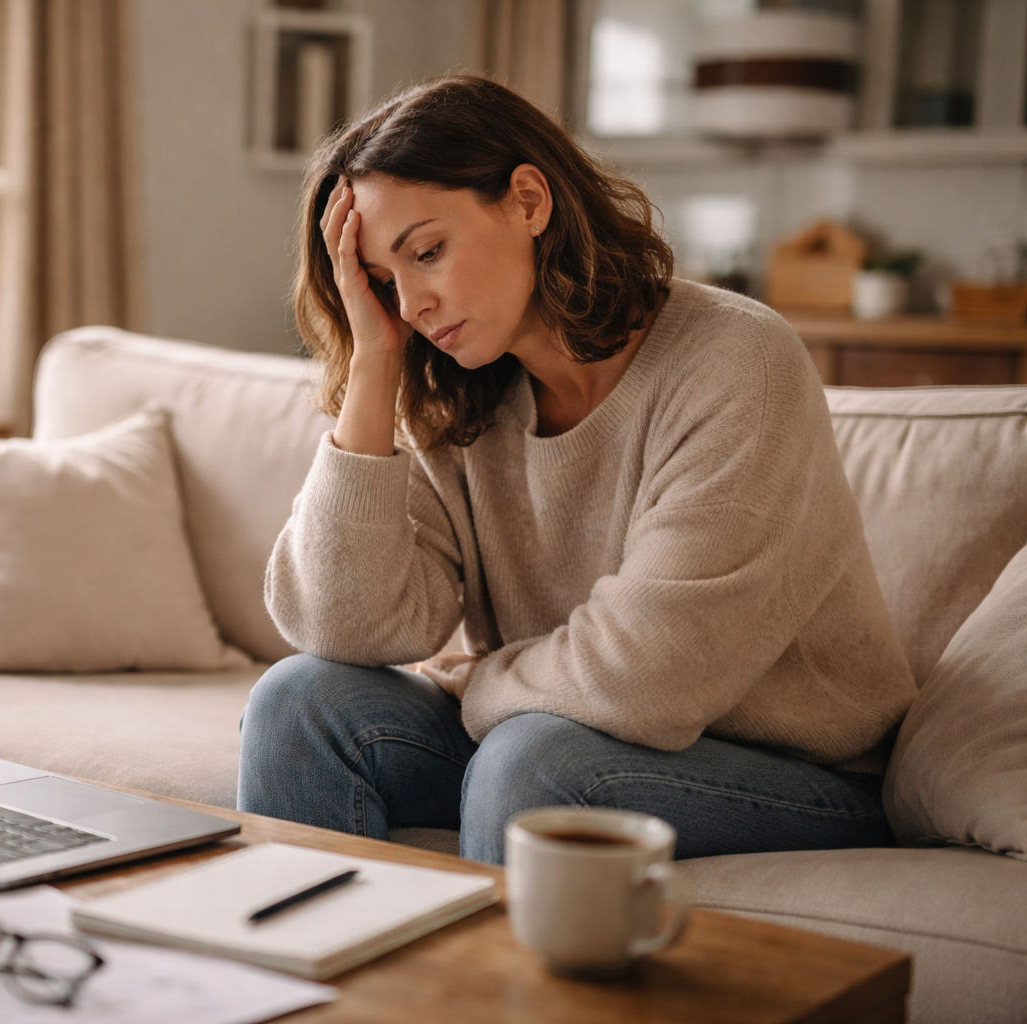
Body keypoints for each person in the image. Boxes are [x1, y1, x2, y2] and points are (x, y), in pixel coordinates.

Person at [236, 76, 915, 864]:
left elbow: (650, 676)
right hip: (557, 728)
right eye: (384, 282)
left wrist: (478, 678)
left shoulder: (738, 363)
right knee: (298, 702)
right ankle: (322, 980)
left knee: (533, 763)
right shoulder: (454, 397)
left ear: (529, 200)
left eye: (428, 252)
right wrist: (374, 363)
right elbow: (343, 626)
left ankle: (485, 991)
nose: (413, 303)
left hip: (799, 776)